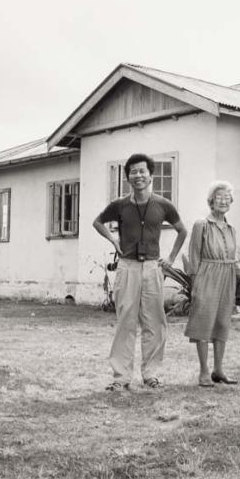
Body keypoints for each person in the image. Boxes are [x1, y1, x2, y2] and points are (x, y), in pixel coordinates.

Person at [92, 152, 187, 391]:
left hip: (153, 267)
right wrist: (114, 241)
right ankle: (121, 377)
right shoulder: (120, 205)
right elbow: (98, 222)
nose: (138, 175)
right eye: (133, 172)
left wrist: (171, 258)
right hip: (127, 267)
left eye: (142, 171)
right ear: (128, 177)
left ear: (150, 175)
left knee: (155, 322)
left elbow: (182, 231)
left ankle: (151, 374)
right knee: (126, 321)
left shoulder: (163, 205)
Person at [184, 182, 240, 387]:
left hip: (227, 278)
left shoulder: (231, 229)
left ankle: (218, 370)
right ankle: (204, 371)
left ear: (231, 202)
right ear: (211, 201)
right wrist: (195, 285)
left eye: (227, 197)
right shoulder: (201, 225)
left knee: (222, 323)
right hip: (207, 275)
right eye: (219, 197)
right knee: (204, 323)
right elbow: (194, 255)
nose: (223, 201)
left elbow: (233, 260)